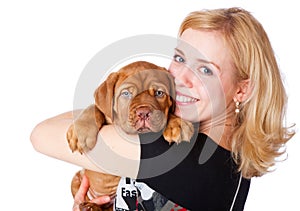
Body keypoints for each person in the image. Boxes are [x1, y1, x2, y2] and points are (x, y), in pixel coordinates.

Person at [30, 7, 295, 211]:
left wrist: (98, 112)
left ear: (242, 90)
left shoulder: (170, 153)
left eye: (205, 70)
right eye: (180, 58)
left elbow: (40, 135)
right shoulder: (226, 155)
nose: (180, 78)